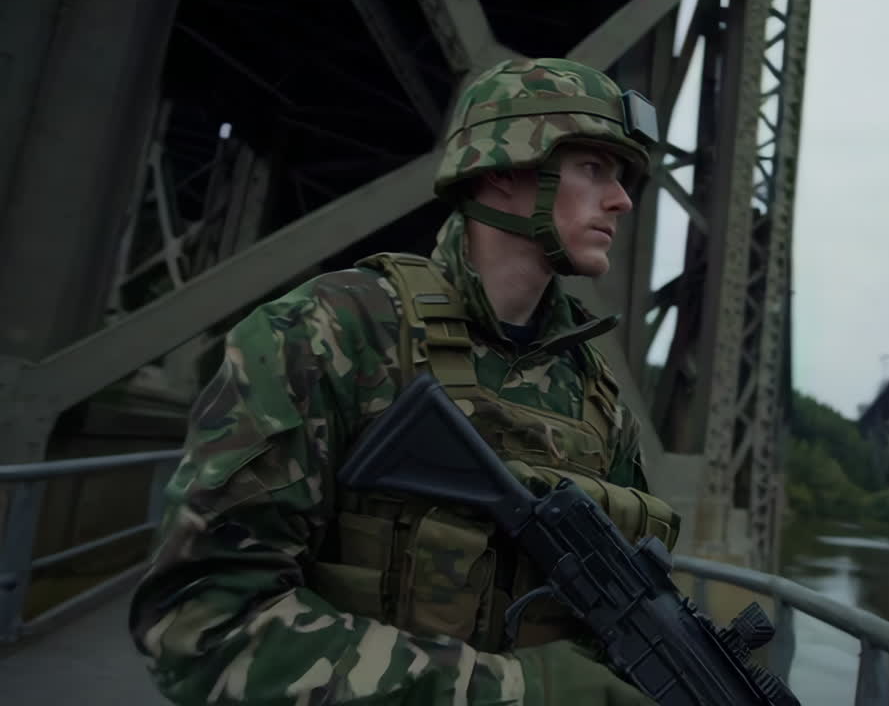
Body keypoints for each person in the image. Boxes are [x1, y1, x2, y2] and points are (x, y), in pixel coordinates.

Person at [129, 57, 679, 706]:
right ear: (502, 169)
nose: (621, 199)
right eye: (595, 169)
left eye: (621, 177)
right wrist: (515, 692)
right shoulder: (331, 332)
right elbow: (200, 626)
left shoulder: (597, 401)